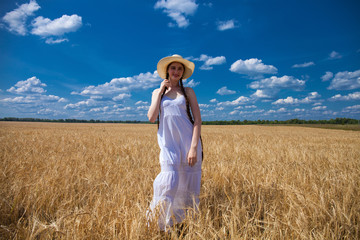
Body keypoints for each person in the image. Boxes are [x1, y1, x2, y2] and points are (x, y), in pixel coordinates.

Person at [147, 54, 203, 231]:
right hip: (168, 144)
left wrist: (193, 148)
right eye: (173, 68)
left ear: (183, 72)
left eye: (180, 69)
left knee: (187, 183)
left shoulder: (188, 92)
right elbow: (151, 117)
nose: (176, 71)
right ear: (167, 70)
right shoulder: (157, 92)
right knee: (169, 181)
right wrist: (160, 91)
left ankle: (182, 224)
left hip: (188, 143)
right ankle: (158, 224)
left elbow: (197, 121)